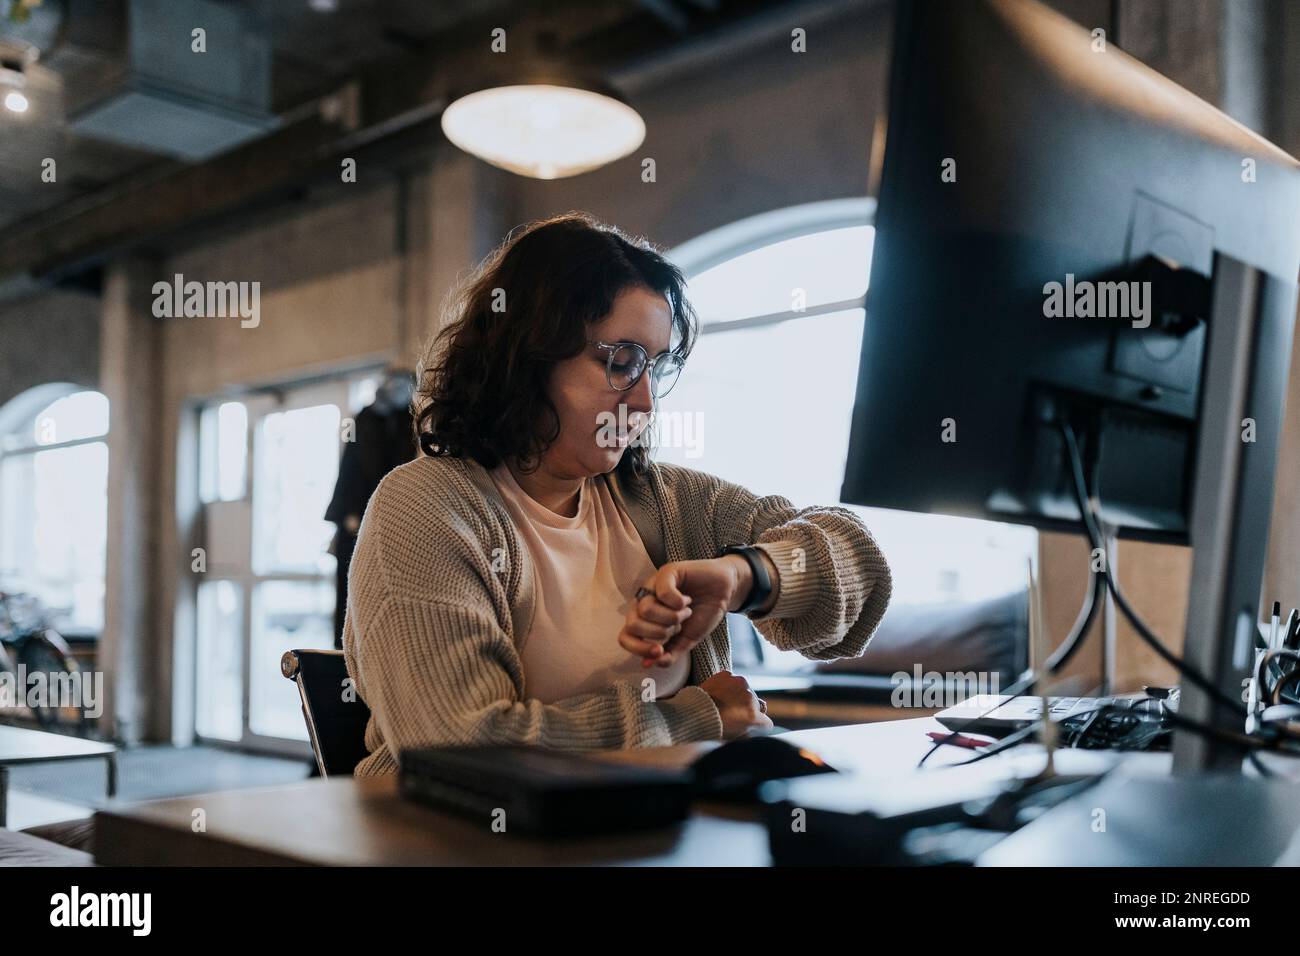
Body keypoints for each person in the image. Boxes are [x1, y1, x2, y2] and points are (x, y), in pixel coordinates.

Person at [342, 212, 892, 776]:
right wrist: (696, 720)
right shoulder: (425, 509)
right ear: (527, 355)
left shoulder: (665, 501)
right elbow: (461, 748)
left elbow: (859, 563)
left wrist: (744, 575)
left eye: (655, 367)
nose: (647, 402)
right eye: (621, 362)